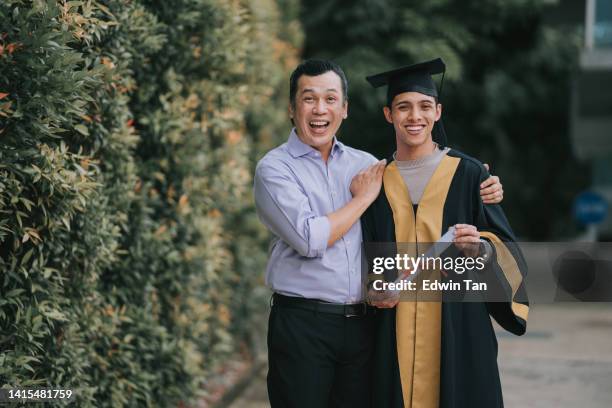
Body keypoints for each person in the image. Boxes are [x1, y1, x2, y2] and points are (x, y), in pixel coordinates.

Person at [253, 59, 504, 408]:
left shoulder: (367, 165)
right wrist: (365, 197)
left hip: (363, 329)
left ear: (344, 109)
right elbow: (310, 239)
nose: (320, 109)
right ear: (292, 108)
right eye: (309, 99)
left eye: (330, 99)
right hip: (303, 324)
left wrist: (485, 185)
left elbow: (383, 242)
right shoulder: (276, 168)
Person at [361, 58, 529, 408]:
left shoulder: (469, 174)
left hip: (459, 329)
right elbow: (362, 254)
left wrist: (481, 248)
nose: (414, 116)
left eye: (424, 106)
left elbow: (508, 251)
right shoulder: (374, 180)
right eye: (403, 107)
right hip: (391, 333)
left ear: (438, 112)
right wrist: (370, 288)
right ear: (388, 114)